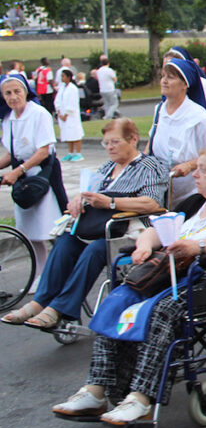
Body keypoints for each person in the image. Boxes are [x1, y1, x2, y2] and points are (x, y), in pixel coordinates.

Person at [51, 146, 206, 427]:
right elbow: (157, 226)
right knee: (117, 300)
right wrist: (145, 244)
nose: (194, 174)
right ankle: (95, 390)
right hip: (165, 274)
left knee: (158, 311)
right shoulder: (193, 203)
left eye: (202, 170)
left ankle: (141, 398)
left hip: (202, 278)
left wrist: (195, 246)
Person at [2, 119, 165, 328]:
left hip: (130, 231)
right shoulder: (108, 166)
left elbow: (152, 203)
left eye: (114, 142)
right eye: (106, 143)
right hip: (97, 227)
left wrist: (111, 202)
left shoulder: (150, 166)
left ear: (133, 139)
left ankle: (59, 309)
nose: (109, 148)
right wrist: (80, 198)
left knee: (96, 250)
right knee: (65, 242)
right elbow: (90, 189)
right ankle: (39, 302)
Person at [0, 73, 68, 288]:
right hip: (24, 179)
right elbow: (13, 153)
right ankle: (41, 275)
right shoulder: (9, 119)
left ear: (25, 92)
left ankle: (60, 273)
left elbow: (42, 151)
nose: (13, 97)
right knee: (31, 233)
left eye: (16, 91)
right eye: (8, 93)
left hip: (42, 175)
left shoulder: (39, 114)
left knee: (51, 227)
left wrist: (17, 172)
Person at [146, 59, 206, 206]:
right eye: (163, 76)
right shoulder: (159, 110)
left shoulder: (198, 117)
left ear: (185, 84)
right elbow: (151, 144)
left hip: (191, 197)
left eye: (170, 77)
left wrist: (190, 165)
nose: (164, 81)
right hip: (160, 194)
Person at [55, 68, 85, 161]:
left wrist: (66, 114)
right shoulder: (62, 88)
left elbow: (73, 102)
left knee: (75, 133)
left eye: (63, 76)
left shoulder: (73, 88)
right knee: (68, 134)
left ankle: (78, 153)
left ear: (68, 77)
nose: (62, 78)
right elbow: (58, 100)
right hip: (63, 114)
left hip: (71, 115)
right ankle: (70, 152)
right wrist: (59, 111)